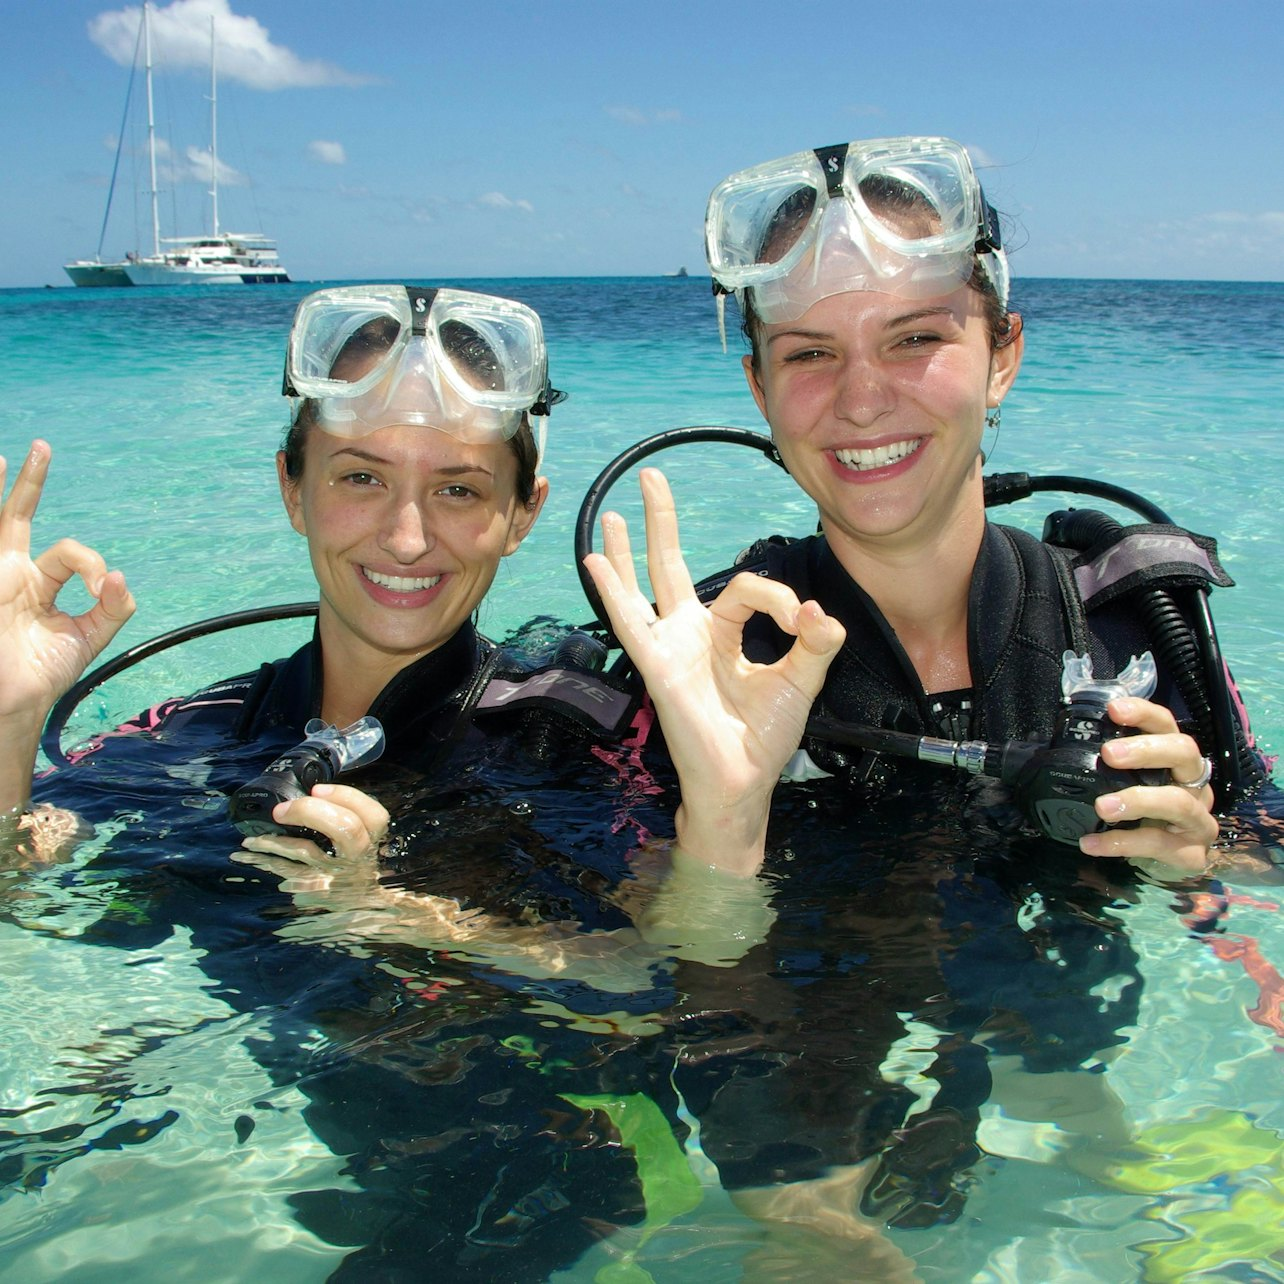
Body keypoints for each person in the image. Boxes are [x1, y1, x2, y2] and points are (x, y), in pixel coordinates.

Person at [586, 135, 1272, 881]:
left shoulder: (1135, 627)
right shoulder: (705, 662)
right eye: (809, 354)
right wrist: (724, 818)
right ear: (760, 389)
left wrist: (1198, 861)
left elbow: (1262, 850)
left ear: (1001, 357)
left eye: (914, 339)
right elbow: (636, 972)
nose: (862, 401)